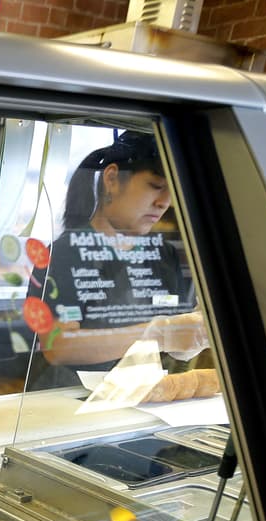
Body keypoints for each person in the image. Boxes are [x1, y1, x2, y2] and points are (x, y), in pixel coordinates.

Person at [27, 130, 207, 390]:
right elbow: (59, 346)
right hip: (67, 401)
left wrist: (197, 334)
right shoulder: (66, 253)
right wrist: (163, 333)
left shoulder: (162, 255)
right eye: (156, 186)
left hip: (139, 402)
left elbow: (176, 338)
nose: (164, 203)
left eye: (173, 191)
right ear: (112, 179)